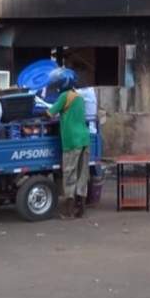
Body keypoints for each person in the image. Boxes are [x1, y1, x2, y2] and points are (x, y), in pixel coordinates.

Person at [45, 68, 90, 219]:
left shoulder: (65, 96)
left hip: (72, 140)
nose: (56, 87)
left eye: (57, 84)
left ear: (63, 83)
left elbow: (50, 113)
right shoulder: (79, 97)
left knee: (69, 173)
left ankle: (68, 211)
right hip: (84, 139)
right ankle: (80, 209)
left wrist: (37, 112)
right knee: (82, 173)